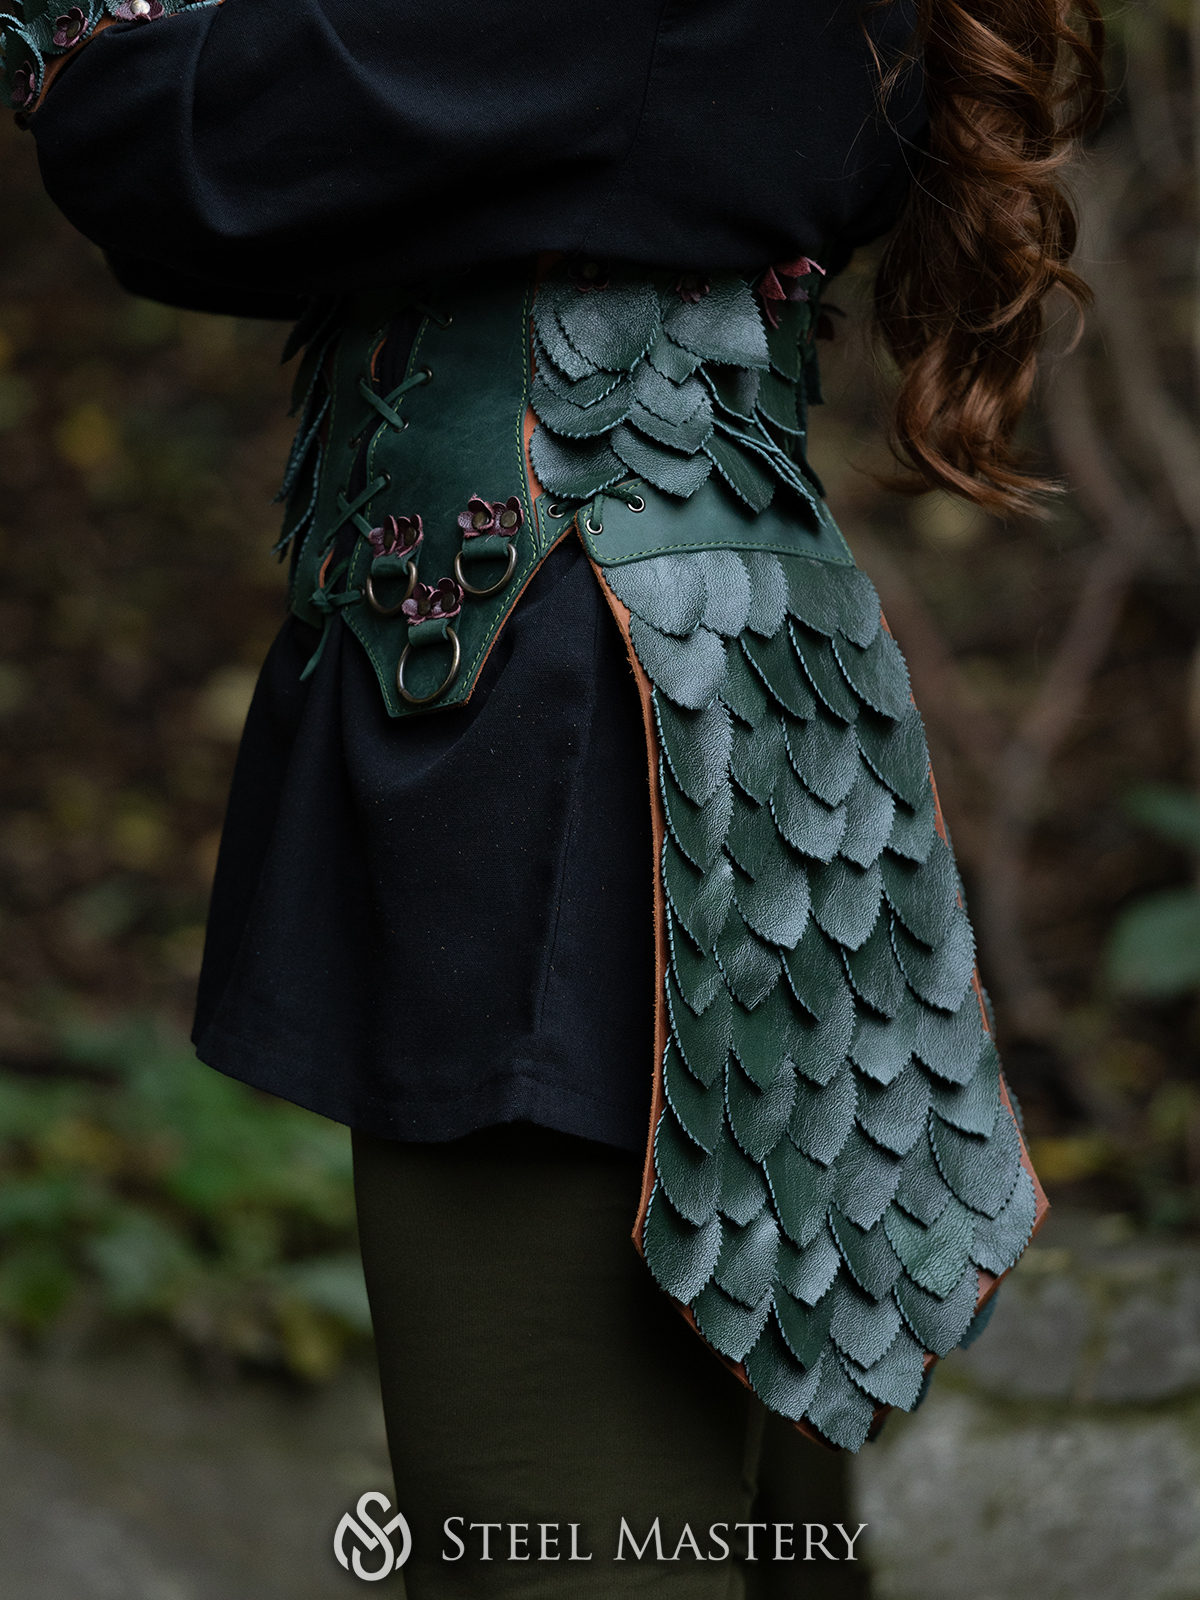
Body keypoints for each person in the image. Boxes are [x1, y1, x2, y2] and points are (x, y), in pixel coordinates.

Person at [3, 0, 1103, 1593]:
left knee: (553, 1543)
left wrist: (86, 43)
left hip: (578, 735)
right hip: (668, 708)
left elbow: (203, 138)